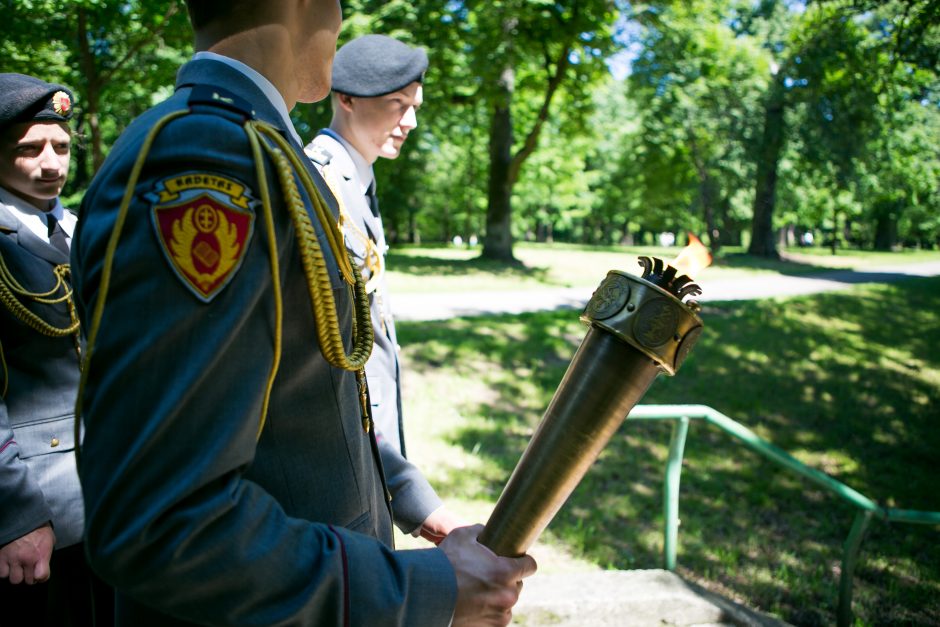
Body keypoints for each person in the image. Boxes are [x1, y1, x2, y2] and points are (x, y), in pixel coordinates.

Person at [72, 2, 536, 626]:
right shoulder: (208, 154)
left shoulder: (263, 147)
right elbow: (166, 520)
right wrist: (416, 589)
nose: (340, 15)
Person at [0, 73, 112, 626]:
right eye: (29, 148)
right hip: (38, 516)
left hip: (110, 496)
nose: (52, 164)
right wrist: (14, 515)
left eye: (62, 147)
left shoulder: (80, 228)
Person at [305, 34, 425, 457]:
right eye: (397, 103)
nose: (410, 122)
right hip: (341, 446)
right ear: (347, 99)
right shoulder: (319, 186)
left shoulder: (356, 182)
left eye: (415, 107)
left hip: (372, 443)